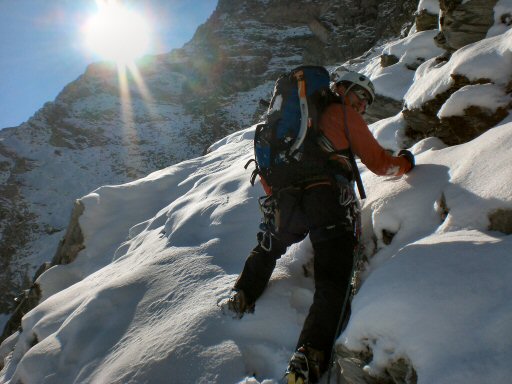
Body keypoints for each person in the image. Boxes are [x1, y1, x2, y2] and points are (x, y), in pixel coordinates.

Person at [224, 67, 415, 383]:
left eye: (366, 102)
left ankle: (241, 295)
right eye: (361, 97)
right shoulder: (343, 114)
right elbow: (381, 163)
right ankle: (308, 357)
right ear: (343, 90)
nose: (363, 107)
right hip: (327, 197)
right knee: (334, 280)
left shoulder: (301, 125)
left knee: (269, 248)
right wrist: (407, 162)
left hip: (287, 199)